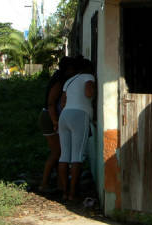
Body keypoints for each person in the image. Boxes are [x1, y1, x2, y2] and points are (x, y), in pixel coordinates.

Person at [58, 57, 95, 201]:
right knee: (77, 156)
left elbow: (62, 102)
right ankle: (73, 193)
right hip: (80, 115)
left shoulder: (69, 81)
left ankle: (64, 192)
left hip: (64, 116)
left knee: (64, 155)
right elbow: (88, 93)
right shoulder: (88, 76)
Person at [38, 56, 76, 192]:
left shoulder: (61, 79)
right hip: (49, 118)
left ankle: (59, 183)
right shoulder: (59, 81)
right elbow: (51, 103)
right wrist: (55, 121)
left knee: (59, 153)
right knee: (57, 152)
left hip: (51, 117)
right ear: (68, 69)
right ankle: (44, 184)